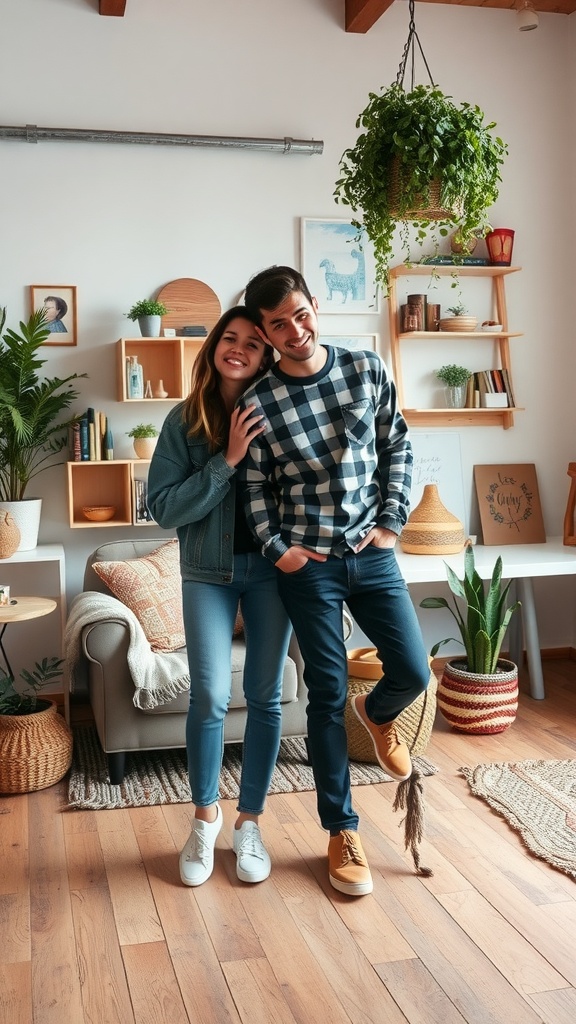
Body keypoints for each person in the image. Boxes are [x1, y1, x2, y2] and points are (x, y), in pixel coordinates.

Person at [239, 266, 431, 897]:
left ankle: (379, 717)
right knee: (324, 696)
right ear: (265, 334)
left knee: (413, 670)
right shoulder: (259, 401)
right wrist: (278, 550)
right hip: (308, 567)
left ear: (314, 305)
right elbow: (256, 489)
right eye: (277, 325)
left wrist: (392, 525)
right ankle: (340, 830)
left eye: (300, 314)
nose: (295, 331)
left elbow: (396, 446)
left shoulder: (365, 369)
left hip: (372, 553)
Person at [147, 306, 293, 888]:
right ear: (213, 347)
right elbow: (165, 509)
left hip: (272, 572)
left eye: (253, 344)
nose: (238, 349)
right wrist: (226, 460)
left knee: (266, 696)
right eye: (228, 339)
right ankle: (205, 820)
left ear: (265, 356)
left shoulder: (281, 413)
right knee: (207, 695)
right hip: (205, 572)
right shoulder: (182, 422)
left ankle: (249, 823)